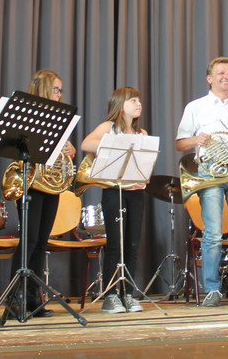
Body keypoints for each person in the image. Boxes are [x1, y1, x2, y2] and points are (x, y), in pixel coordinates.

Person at [175, 57, 228, 307]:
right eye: (221, 72)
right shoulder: (195, 107)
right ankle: (212, 290)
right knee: (212, 234)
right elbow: (180, 143)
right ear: (209, 78)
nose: (227, 76)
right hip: (210, 173)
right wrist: (196, 140)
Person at [7, 69, 75, 318]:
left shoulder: (59, 118)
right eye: (56, 89)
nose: (59, 94)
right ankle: (15, 298)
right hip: (31, 183)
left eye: (60, 90)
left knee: (41, 241)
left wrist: (69, 149)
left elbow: (62, 151)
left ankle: (33, 298)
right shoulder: (26, 113)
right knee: (30, 240)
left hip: (50, 184)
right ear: (44, 88)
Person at [81, 87, 149, 314]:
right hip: (114, 191)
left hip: (136, 193)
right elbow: (86, 144)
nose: (138, 104)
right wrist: (115, 144)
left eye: (139, 100)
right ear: (121, 105)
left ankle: (127, 293)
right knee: (115, 244)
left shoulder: (142, 133)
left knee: (132, 244)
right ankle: (111, 295)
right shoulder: (108, 127)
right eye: (133, 100)